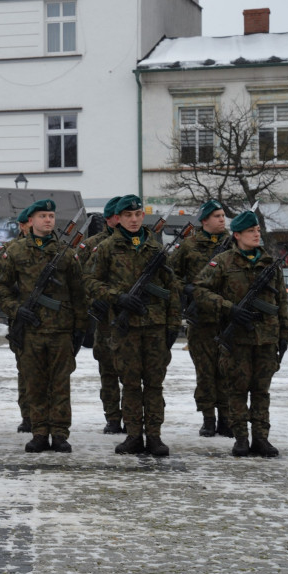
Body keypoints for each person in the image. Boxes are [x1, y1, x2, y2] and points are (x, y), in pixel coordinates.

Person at [85, 194, 180, 457]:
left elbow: (172, 290)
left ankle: (155, 436)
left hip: (154, 327)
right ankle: (134, 435)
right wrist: (118, 297)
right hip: (124, 328)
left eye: (138, 215)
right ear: (119, 219)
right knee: (129, 384)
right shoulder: (106, 248)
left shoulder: (155, 249)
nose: (135, 219)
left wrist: (172, 326)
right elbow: (90, 282)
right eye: (129, 215)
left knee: (154, 385)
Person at [193, 210, 288, 458]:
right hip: (237, 337)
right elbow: (200, 290)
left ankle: (261, 438)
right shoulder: (224, 262)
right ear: (237, 235)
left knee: (261, 391)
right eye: (251, 231)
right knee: (236, 390)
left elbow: (280, 301)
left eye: (257, 230)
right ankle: (240, 438)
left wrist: (284, 333)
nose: (256, 234)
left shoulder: (269, 263)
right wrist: (229, 308)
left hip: (266, 338)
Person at [0, 199, 87, 453]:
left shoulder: (66, 253)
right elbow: (1, 286)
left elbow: (79, 293)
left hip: (60, 330)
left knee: (60, 385)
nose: (48, 220)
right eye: (43, 216)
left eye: (51, 216)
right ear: (31, 221)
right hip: (31, 331)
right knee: (34, 384)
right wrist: (16, 310)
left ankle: (59, 433)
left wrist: (79, 330)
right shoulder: (15, 252)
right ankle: (38, 432)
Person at [169, 199, 233, 438]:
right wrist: (185, 290)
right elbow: (170, 273)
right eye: (216, 215)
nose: (221, 219)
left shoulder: (232, 243)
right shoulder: (189, 245)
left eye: (223, 215)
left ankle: (227, 418)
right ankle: (208, 418)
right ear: (204, 220)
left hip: (227, 318)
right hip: (200, 319)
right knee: (205, 372)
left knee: (226, 371)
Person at [81, 196, 124, 435]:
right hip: (105, 320)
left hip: (130, 318)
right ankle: (113, 417)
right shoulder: (91, 246)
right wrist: (92, 303)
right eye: (120, 215)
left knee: (131, 373)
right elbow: (80, 281)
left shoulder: (138, 243)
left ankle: (132, 417)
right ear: (109, 218)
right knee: (108, 372)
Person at [0, 206, 32, 433]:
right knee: (25, 372)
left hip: (50, 322)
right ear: (23, 225)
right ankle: (28, 417)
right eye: (28, 223)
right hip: (21, 319)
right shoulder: (9, 250)